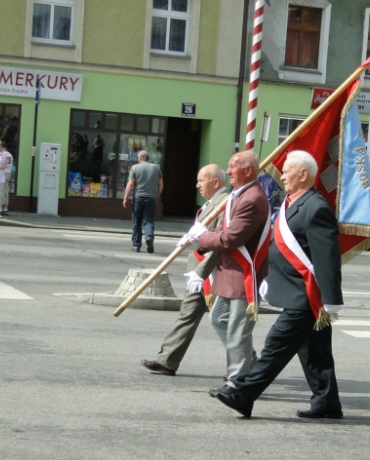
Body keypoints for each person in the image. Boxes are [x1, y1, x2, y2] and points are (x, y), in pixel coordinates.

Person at [209, 150, 344, 420]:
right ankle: (327, 402)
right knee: (314, 352)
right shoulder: (294, 203)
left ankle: (244, 394)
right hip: (294, 290)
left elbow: (327, 257)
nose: (281, 176)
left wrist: (330, 299)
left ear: (303, 174)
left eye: (286, 171)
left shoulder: (316, 208)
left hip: (307, 296)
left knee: (275, 346)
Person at [183, 150, 270, 381]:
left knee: (238, 331)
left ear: (249, 170)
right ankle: (249, 362)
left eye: (233, 166)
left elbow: (231, 238)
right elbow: (222, 231)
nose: (228, 171)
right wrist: (202, 238)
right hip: (229, 274)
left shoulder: (252, 198)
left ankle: (238, 383)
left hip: (244, 275)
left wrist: (202, 238)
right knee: (218, 318)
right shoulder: (238, 194)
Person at [140, 165, 228, 375]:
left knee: (225, 320)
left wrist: (202, 270)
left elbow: (221, 240)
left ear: (215, 182)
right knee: (187, 314)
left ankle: (249, 363)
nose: (197, 185)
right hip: (198, 269)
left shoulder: (224, 202)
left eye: (201, 181)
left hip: (214, 271)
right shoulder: (210, 203)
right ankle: (167, 360)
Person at [123, 150, 163, 253]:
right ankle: (149, 237)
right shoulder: (156, 168)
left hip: (138, 198)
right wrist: (157, 195)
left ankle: (136, 245)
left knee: (136, 221)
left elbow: (131, 184)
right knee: (148, 220)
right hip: (151, 198)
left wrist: (125, 197)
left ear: (140, 158)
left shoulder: (135, 168)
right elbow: (161, 184)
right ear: (148, 158)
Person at [0, 144, 14, 216]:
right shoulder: (10, 155)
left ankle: (1, 208)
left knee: (1, 191)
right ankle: (5, 208)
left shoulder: (2, 155)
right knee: (6, 192)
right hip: (8, 174)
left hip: (2, 173)